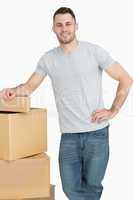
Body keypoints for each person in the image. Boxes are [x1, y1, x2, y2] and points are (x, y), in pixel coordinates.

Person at [0, 7, 133, 200]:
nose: (64, 29)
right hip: (69, 136)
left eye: (68, 24)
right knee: (70, 188)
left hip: (97, 133)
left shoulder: (94, 51)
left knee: (93, 187)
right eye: (59, 25)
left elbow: (125, 79)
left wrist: (113, 110)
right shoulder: (48, 59)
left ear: (76, 26)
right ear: (53, 29)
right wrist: (13, 91)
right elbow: (29, 87)